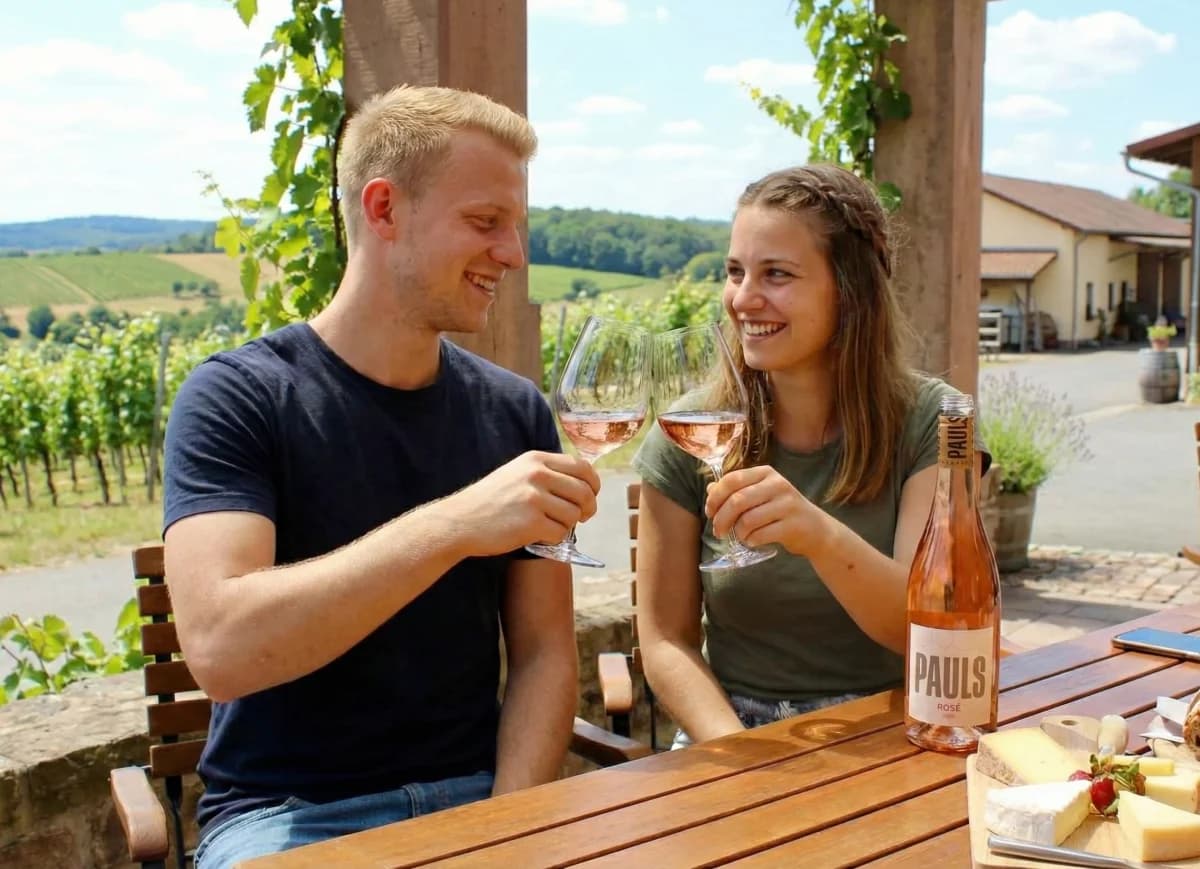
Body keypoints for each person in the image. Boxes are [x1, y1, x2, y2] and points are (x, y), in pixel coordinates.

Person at [163, 85, 599, 868]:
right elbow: (222, 647)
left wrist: (513, 822)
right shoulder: (237, 397)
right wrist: (455, 524)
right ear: (384, 208)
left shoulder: (515, 412)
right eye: (485, 222)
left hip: (480, 798)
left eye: (517, 226)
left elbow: (543, 656)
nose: (513, 253)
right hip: (286, 818)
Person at [632, 164, 989, 749]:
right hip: (732, 728)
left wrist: (817, 535)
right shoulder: (690, 431)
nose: (744, 299)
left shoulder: (937, 422)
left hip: (893, 722)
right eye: (735, 271)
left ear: (849, 290)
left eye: (776, 273)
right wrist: (740, 751)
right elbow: (665, 641)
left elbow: (931, 630)